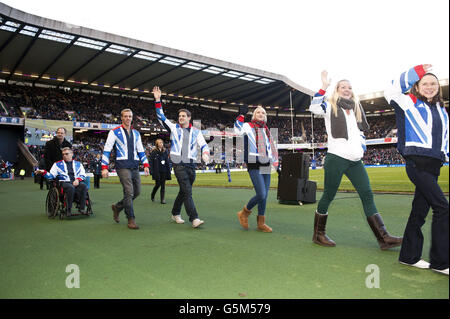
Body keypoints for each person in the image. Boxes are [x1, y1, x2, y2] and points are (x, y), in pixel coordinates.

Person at [308, 71, 402, 249]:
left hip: (355, 160)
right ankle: (318, 234)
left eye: (349, 87)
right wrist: (323, 87)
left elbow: (359, 133)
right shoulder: (331, 106)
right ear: (337, 90)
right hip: (336, 158)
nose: (346, 90)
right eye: (343, 87)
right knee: (329, 195)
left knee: (367, 194)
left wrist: (361, 147)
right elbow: (313, 107)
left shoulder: (356, 109)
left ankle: (384, 238)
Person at [384, 64, 449, 275]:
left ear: (438, 87)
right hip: (416, 164)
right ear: (417, 86)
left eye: (433, 84)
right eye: (425, 83)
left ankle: (408, 256)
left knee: (419, 211)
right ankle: (441, 262)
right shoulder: (409, 102)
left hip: (434, 165)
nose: (430, 87)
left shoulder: (441, 109)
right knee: (443, 208)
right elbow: (391, 90)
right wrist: (417, 71)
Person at [152, 86, 210, 228]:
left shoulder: (196, 131)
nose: (181, 117)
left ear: (189, 118)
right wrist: (158, 100)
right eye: (180, 116)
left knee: (184, 191)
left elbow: (204, 145)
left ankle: (175, 213)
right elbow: (161, 117)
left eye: (184, 116)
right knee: (187, 191)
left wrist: (205, 154)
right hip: (178, 164)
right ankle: (194, 218)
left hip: (191, 164)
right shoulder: (174, 128)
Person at [102, 109, 150, 230]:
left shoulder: (136, 133)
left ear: (132, 118)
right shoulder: (114, 132)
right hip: (122, 166)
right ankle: (131, 219)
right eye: (126, 116)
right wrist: (104, 168)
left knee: (137, 192)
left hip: (134, 166)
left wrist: (146, 165)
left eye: (130, 116)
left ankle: (118, 207)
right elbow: (107, 150)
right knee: (129, 192)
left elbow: (140, 151)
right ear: (121, 118)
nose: (128, 118)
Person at [234, 106, 279, 233]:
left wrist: (275, 163)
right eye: (258, 112)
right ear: (254, 115)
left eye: (263, 112)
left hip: (266, 163)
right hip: (253, 161)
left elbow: (270, 147)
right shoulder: (248, 125)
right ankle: (244, 213)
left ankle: (261, 223)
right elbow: (237, 129)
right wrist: (241, 115)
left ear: (265, 116)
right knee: (261, 194)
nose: (261, 114)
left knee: (265, 196)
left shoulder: (266, 129)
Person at [36, 147, 88, 216]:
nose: (64, 156)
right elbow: (51, 176)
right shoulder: (57, 164)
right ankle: (68, 209)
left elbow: (83, 174)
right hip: (64, 182)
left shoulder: (78, 164)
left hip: (76, 181)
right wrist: (44, 172)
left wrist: (78, 180)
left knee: (83, 186)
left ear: (72, 154)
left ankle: (81, 208)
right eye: (63, 154)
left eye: (66, 154)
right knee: (70, 188)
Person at [149, 139, 171, 204]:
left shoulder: (165, 151)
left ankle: (162, 199)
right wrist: (151, 170)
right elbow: (151, 162)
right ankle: (153, 194)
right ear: (157, 144)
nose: (161, 144)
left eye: (162, 142)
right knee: (158, 184)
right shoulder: (154, 152)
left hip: (164, 170)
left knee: (163, 185)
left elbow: (167, 161)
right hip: (157, 170)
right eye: (159, 143)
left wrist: (168, 169)